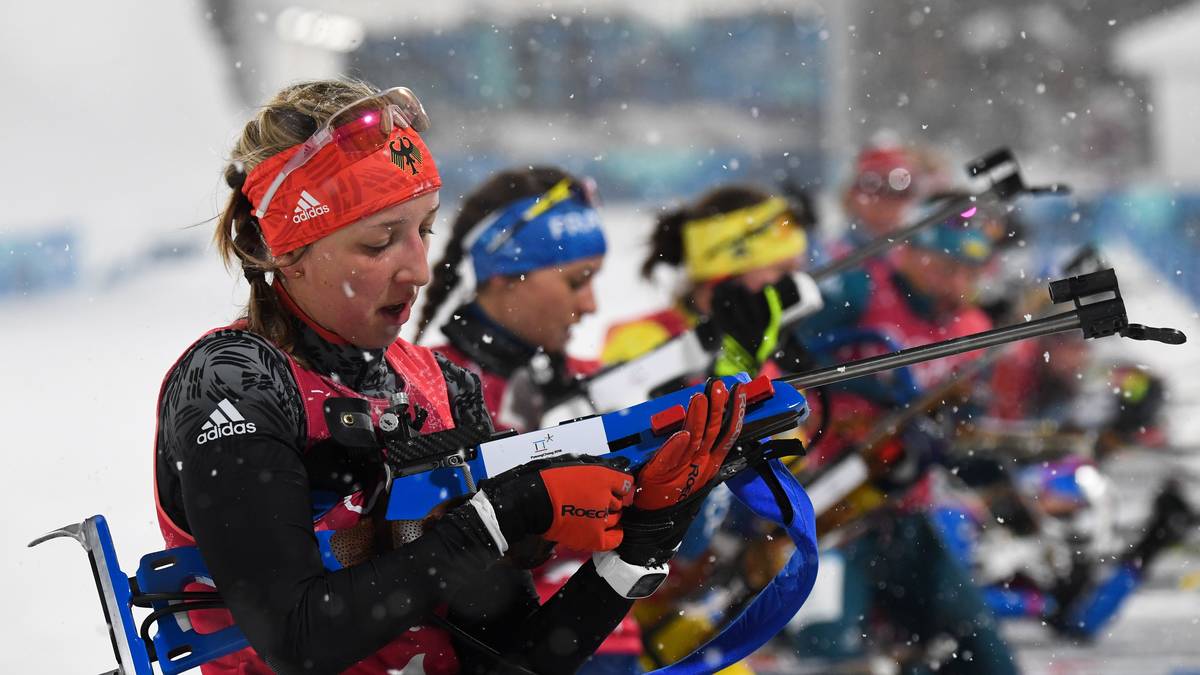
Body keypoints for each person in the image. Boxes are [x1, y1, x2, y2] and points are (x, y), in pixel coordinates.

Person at [152, 79, 744, 675]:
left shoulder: (441, 385)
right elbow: (298, 639)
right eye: (380, 240)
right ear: (287, 251)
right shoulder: (234, 384)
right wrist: (506, 512)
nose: (418, 269)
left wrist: (645, 539)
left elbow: (511, 660)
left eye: (425, 229)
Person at [412, 166, 643, 673]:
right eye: (577, 281)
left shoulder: (586, 380)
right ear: (503, 273)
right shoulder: (422, 389)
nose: (591, 304)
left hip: (607, 646)